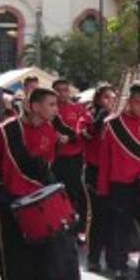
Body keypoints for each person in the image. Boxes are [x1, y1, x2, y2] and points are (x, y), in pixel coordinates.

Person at [0, 87, 83, 280]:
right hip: (11, 202)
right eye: (51, 105)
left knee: (46, 257)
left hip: (40, 203)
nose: (56, 110)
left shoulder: (50, 130)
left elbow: (46, 166)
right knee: (13, 257)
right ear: (35, 106)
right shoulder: (6, 130)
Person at [98, 83, 140, 280]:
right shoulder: (112, 124)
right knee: (122, 227)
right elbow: (105, 159)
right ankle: (120, 265)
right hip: (121, 185)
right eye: (137, 102)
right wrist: (103, 189)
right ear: (128, 101)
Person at [81, 85, 115, 271]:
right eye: (106, 97)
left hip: (113, 171)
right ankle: (93, 258)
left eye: (112, 97)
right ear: (98, 99)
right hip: (94, 171)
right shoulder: (88, 115)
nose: (110, 101)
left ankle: (113, 257)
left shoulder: (117, 118)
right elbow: (84, 135)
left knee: (113, 216)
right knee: (98, 215)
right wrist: (97, 121)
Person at [52, 78, 90, 240]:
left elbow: (84, 131)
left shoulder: (78, 109)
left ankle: (76, 231)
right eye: (58, 90)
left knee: (75, 195)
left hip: (74, 158)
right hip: (54, 160)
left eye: (65, 90)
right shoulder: (50, 110)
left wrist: (70, 138)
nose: (62, 94)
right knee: (57, 196)